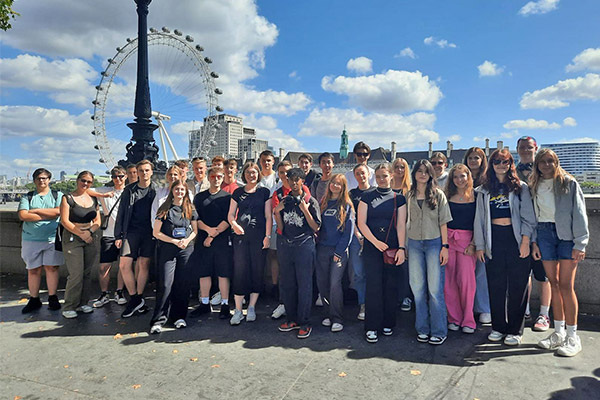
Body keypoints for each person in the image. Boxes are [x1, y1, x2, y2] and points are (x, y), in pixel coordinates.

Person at [474, 149, 536, 346]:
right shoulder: (484, 190)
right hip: (494, 239)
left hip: (515, 239)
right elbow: (479, 221)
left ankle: (515, 330)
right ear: (491, 165)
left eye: (505, 161)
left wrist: (525, 242)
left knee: (518, 286)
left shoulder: (520, 188)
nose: (501, 165)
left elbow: (529, 218)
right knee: (496, 286)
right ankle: (498, 326)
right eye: (497, 161)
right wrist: (480, 246)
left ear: (511, 164)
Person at [530, 149, 589, 357]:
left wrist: (580, 243)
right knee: (553, 283)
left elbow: (579, 212)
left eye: (550, 161)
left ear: (557, 162)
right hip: (544, 234)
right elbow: (533, 216)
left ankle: (573, 336)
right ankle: (559, 332)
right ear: (537, 165)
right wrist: (534, 242)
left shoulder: (568, 183)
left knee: (566, 285)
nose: (546, 165)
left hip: (566, 235)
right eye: (542, 162)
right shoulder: (534, 185)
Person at [357, 163, 407, 343]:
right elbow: (361, 222)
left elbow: (401, 224)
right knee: (374, 286)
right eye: (378, 176)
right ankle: (372, 326)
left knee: (390, 285)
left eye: (384, 176)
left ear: (391, 175)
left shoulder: (398, 198)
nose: (381, 179)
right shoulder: (367, 196)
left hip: (392, 248)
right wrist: (375, 242)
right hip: (372, 245)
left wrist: (402, 248)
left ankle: (388, 323)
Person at [406, 160, 452, 345]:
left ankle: (439, 330)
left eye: (426, 172)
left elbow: (443, 222)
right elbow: (404, 222)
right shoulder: (408, 195)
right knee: (417, 288)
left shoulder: (438, 195)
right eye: (419, 171)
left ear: (431, 174)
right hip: (414, 244)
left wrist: (445, 247)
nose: (422, 174)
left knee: (434, 289)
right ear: (414, 173)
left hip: (434, 243)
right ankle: (422, 328)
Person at [274, 168, 321, 339]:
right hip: (286, 245)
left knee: (304, 285)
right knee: (287, 284)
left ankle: (305, 322)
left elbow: (316, 227)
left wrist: (305, 209)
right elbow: (280, 227)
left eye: (297, 180)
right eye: (290, 180)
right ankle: (291, 319)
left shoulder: (310, 200)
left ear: (302, 181)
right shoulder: (284, 200)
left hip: (304, 245)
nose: (294, 183)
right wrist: (276, 211)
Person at [228, 161, 273, 325]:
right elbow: (231, 214)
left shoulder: (264, 192)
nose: (251, 175)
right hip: (240, 236)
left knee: (257, 269)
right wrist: (234, 225)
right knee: (239, 270)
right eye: (248, 172)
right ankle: (239, 309)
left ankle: (252, 307)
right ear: (244, 175)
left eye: (254, 172)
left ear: (258, 174)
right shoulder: (238, 192)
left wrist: (267, 236)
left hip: (258, 237)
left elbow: (269, 216)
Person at [150, 180, 198, 333]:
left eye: (182, 190)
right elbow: (156, 232)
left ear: (186, 192)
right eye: (177, 189)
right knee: (165, 284)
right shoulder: (164, 209)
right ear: (172, 191)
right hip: (168, 250)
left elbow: (195, 231)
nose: (179, 192)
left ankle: (179, 317)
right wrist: (174, 241)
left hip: (185, 249)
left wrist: (186, 241)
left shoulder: (190, 209)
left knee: (182, 284)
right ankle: (159, 320)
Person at [516, 136, 552, 331]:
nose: (526, 150)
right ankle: (526, 310)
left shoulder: (543, 170)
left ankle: (544, 314)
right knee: (524, 273)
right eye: (522, 147)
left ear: (535, 148)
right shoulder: (514, 171)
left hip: (543, 228)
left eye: (529, 147)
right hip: (521, 229)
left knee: (543, 275)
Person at [114, 160, 158, 318]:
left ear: (151, 172)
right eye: (141, 170)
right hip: (130, 231)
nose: (144, 173)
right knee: (124, 265)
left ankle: (138, 297)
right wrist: (118, 235)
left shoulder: (156, 191)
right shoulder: (129, 190)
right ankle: (135, 297)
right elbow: (121, 214)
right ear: (136, 172)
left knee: (143, 264)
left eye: (147, 170)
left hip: (149, 233)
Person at [18, 168, 64, 313]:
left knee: (52, 268)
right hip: (31, 239)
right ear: (34, 181)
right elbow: (23, 216)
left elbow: (59, 212)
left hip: (52, 238)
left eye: (44, 178)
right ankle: (34, 299)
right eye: (39, 178)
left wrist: (34, 211)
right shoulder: (28, 197)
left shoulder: (58, 195)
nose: (42, 181)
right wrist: (47, 215)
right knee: (33, 270)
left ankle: (52, 297)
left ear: (49, 179)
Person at [189, 167, 233, 319]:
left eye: (219, 176)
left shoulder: (228, 197)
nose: (216, 179)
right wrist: (208, 231)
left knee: (223, 274)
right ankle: (204, 304)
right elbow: (195, 218)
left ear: (223, 178)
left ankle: (225, 305)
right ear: (208, 177)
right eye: (213, 176)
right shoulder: (199, 197)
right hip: (203, 240)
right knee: (204, 273)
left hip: (221, 241)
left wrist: (213, 235)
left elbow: (229, 219)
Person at [60, 171, 102, 318]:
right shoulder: (68, 198)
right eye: (83, 180)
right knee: (76, 273)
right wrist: (81, 233)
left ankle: (83, 303)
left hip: (90, 237)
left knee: (87, 273)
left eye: (89, 182)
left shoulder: (93, 199)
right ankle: (69, 305)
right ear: (77, 180)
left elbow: (98, 221)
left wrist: (89, 232)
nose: (85, 184)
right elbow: (64, 221)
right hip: (73, 238)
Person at [315, 174, 354, 333]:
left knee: (334, 284)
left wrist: (340, 251)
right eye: (333, 183)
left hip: (338, 251)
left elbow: (348, 232)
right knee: (322, 283)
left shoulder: (346, 205)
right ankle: (328, 314)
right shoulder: (323, 203)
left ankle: (337, 318)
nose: (335, 186)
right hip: (322, 249)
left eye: (339, 184)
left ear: (343, 186)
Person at [444, 164, 477, 334]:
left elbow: (479, 222)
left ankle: (468, 319)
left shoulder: (476, 196)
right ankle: (454, 318)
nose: (459, 180)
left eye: (462, 176)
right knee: (449, 282)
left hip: (467, 243)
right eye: (455, 177)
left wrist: (473, 244)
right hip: (448, 241)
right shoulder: (447, 196)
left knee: (466, 282)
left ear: (468, 177)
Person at [90, 166, 127, 307]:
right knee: (104, 267)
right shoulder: (104, 191)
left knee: (124, 266)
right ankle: (104, 293)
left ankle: (119, 291)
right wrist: (104, 196)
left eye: (121, 176)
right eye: (115, 176)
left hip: (125, 235)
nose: (118, 179)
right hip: (108, 234)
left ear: (126, 177)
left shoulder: (129, 192)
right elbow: (84, 190)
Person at [463, 147, 491, 325]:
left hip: (481, 229)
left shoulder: (487, 181)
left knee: (481, 272)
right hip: (462, 230)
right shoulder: (459, 179)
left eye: (477, 158)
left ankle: (483, 308)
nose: (473, 161)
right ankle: (466, 307)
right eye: (470, 158)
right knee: (464, 274)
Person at [348, 164, 373, 320]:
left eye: (363, 173)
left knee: (373, 272)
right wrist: (358, 234)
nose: (361, 176)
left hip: (373, 238)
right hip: (357, 238)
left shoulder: (375, 192)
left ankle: (374, 302)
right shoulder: (352, 194)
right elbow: (351, 216)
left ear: (368, 174)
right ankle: (362, 303)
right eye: (357, 174)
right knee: (358, 273)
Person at [391, 157, 413, 312]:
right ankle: (393, 296)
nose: (399, 170)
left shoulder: (410, 189)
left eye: (402, 167)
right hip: (388, 230)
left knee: (405, 265)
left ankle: (406, 296)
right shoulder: (387, 187)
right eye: (397, 167)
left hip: (405, 230)